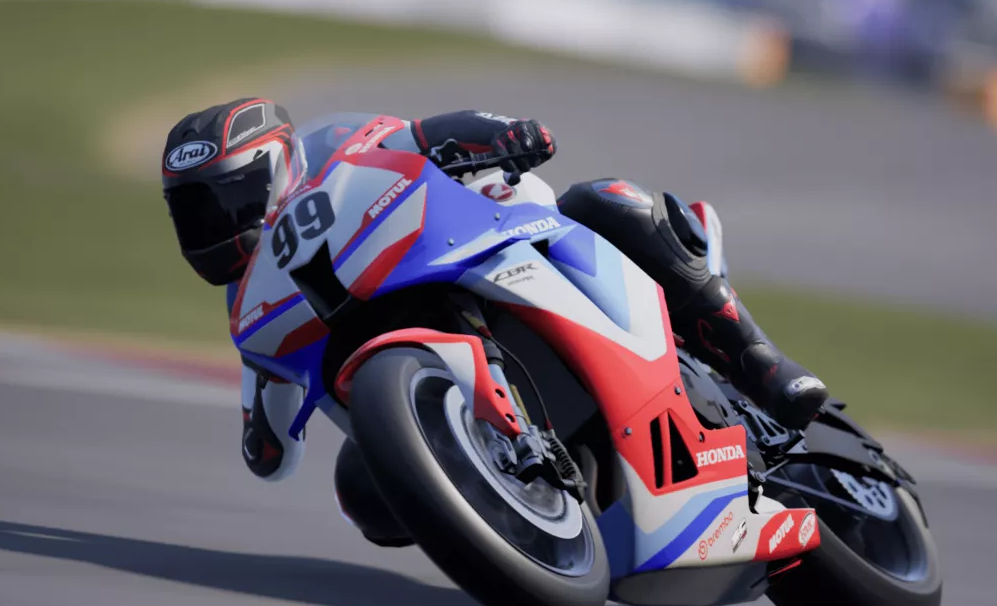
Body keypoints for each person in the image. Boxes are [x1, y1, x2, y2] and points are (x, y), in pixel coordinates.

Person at [159, 98, 827, 484]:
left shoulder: (339, 150)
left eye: (228, 200)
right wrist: (263, 434)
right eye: (194, 215)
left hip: (477, 238)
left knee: (604, 201)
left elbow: (422, 133)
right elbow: (270, 457)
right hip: (394, 355)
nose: (213, 227)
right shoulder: (251, 310)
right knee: (360, 489)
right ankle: (507, 507)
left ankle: (758, 361)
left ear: (276, 166)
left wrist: (506, 134)